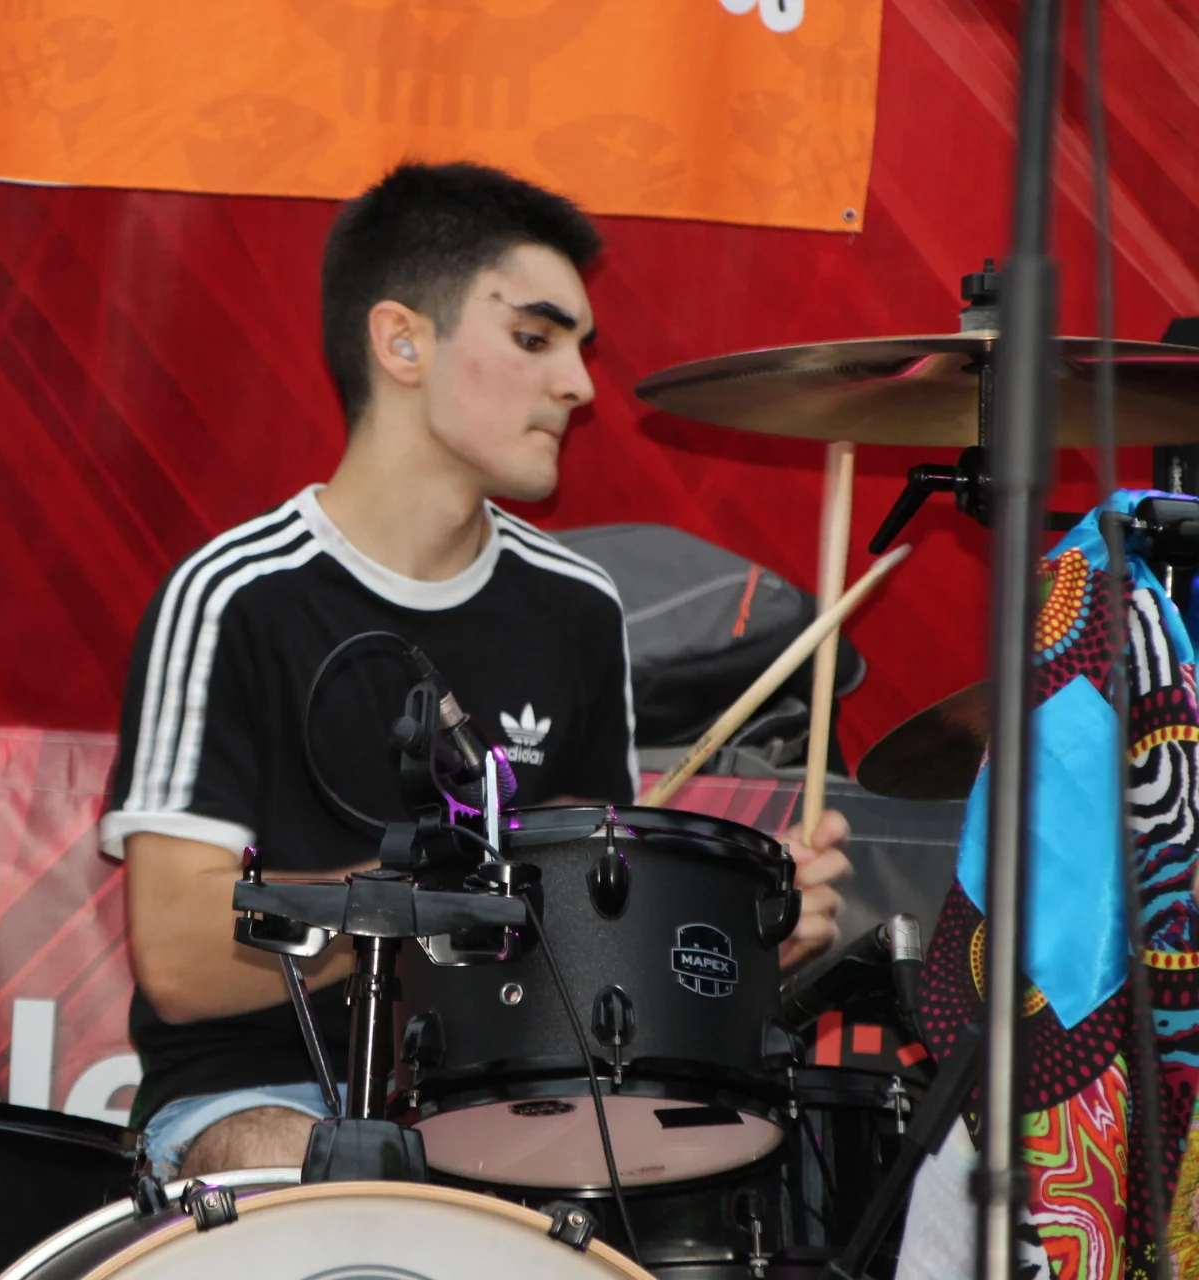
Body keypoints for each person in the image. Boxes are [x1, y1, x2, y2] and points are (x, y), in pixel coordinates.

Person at [99, 161, 852, 1180]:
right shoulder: (236, 594)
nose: (580, 385)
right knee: (302, 1166)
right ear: (402, 341)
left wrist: (740, 937)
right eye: (537, 339)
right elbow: (182, 960)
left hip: (500, 1102)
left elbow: (589, 939)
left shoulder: (577, 606)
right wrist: (438, 896)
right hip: (260, 1092)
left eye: (581, 349)